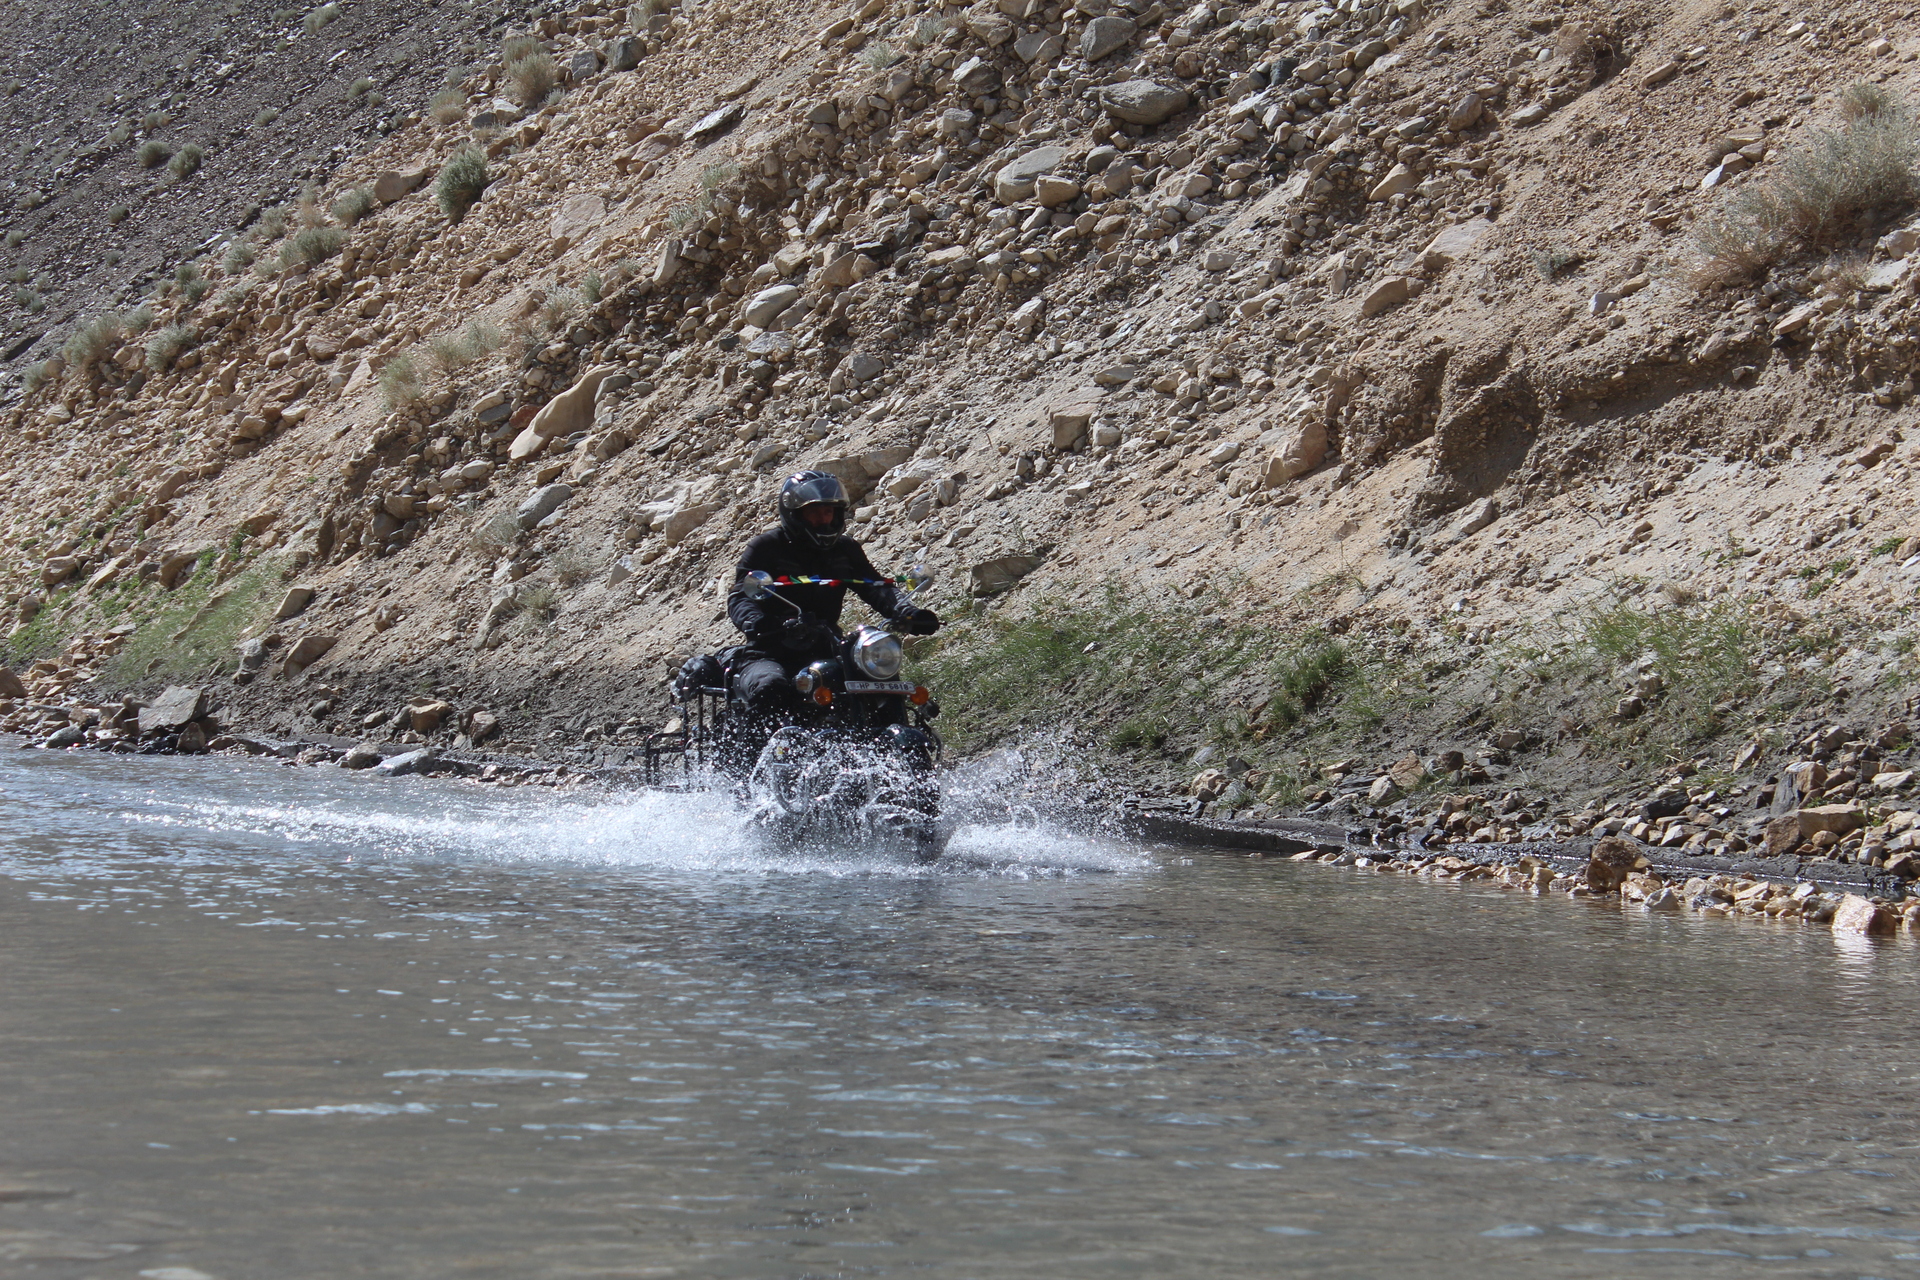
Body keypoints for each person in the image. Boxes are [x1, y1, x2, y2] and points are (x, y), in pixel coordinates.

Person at [723, 471, 939, 750]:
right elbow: (741, 595)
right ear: (795, 514)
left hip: (828, 646)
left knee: (875, 678)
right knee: (771, 686)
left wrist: (906, 612)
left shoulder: (845, 549)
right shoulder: (767, 547)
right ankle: (750, 770)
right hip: (772, 647)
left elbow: (874, 586)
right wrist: (761, 623)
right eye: (815, 513)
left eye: (829, 512)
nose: (824, 519)